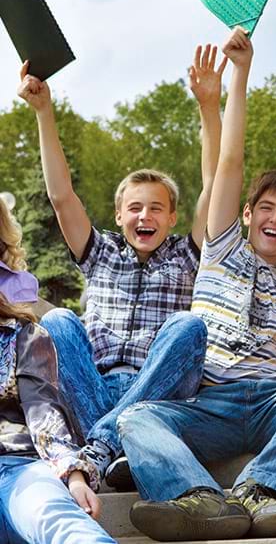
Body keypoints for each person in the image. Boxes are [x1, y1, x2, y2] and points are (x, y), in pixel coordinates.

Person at [116, 27, 276, 542]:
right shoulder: (221, 248)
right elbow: (229, 161)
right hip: (212, 402)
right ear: (247, 214)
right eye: (265, 208)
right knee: (136, 419)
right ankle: (198, 499)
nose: (275, 218)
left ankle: (261, 491)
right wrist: (240, 77)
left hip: (275, 399)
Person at [15, 46, 224, 484]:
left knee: (189, 327)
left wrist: (209, 107)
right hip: (93, 386)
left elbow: (214, 185)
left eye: (155, 209)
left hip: (156, 388)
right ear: (118, 216)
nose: (144, 216)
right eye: (134, 208)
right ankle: (114, 446)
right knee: (58, 321)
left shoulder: (187, 256)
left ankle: (99, 446)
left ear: (171, 217)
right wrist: (44, 112)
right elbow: (61, 196)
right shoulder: (100, 252)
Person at [0, 195, 116, 543]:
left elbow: (44, 414)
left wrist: (73, 474)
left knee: (66, 526)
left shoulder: (23, 335)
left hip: (19, 470)